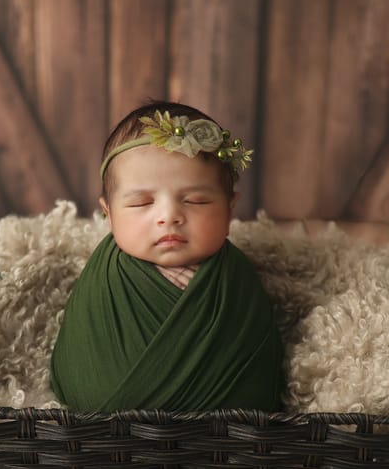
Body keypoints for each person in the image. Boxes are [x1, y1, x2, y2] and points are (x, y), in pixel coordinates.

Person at [49, 101, 284, 412]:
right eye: (141, 203)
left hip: (225, 443)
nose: (169, 216)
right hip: (106, 441)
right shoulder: (102, 280)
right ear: (109, 214)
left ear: (230, 209)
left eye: (196, 201)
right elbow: (79, 358)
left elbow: (260, 370)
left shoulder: (237, 280)